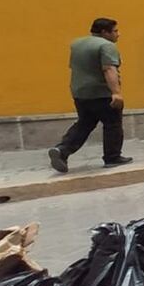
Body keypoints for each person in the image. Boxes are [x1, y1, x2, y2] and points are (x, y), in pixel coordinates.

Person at [48, 18, 132, 172]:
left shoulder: (77, 44)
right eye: (115, 31)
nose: (118, 34)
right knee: (112, 124)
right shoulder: (107, 46)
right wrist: (116, 93)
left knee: (84, 123)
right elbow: (108, 69)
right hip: (101, 92)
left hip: (80, 92)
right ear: (104, 32)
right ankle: (112, 157)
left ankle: (62, 150)